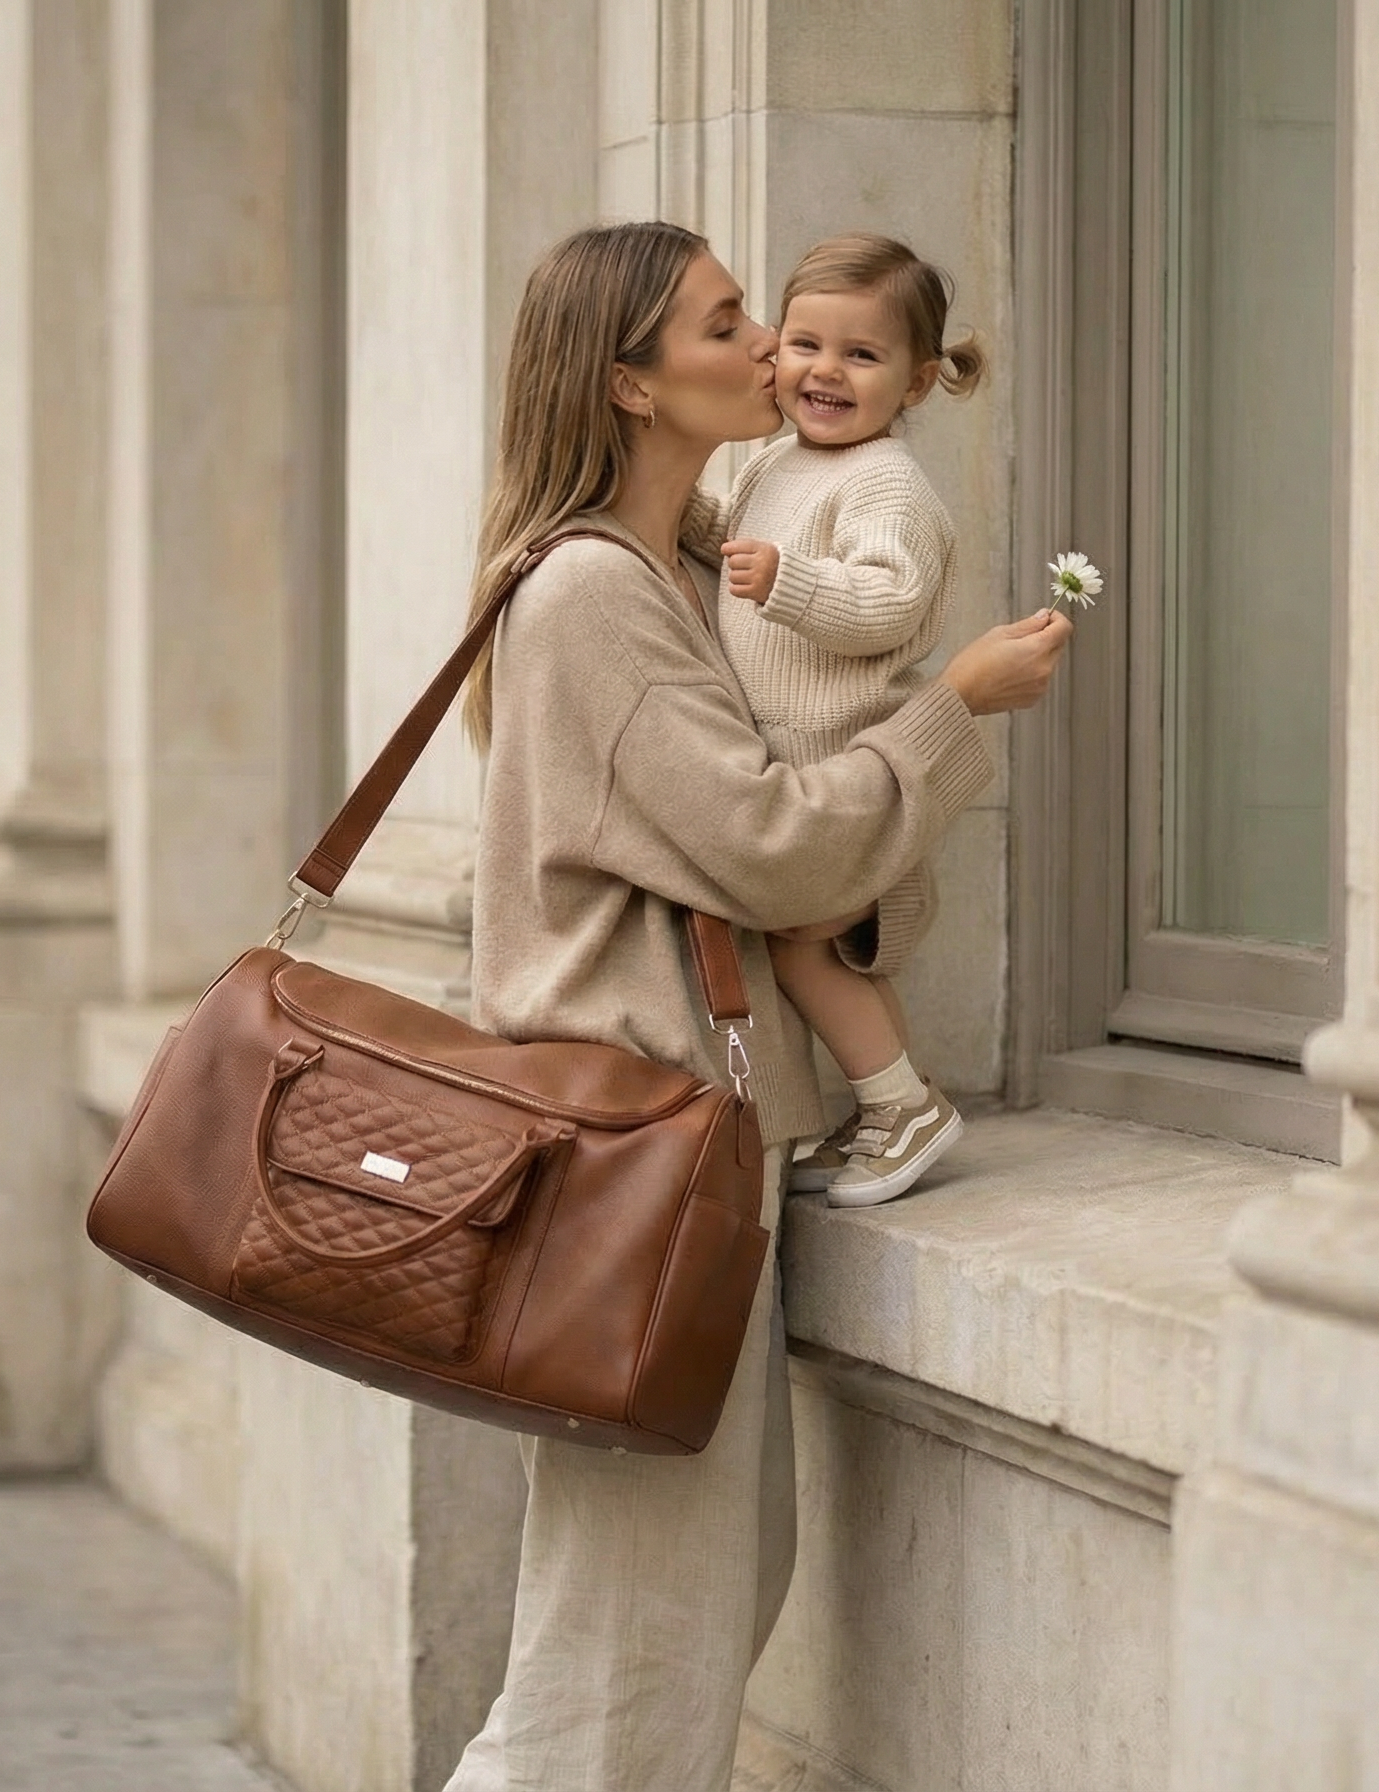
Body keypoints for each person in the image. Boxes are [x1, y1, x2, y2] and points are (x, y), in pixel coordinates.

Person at [446, 220, 1072, 1792]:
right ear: (632, 386)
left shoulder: (677, 563)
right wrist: (952, 709)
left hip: (675, 1150)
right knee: (631, 1643)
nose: (773, 353)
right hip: (638, 1159)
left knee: (683, 1602)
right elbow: (774, 851)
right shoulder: (595, 591)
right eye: (730, 326)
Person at [714, 232, 989, 1209]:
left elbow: (892, 603)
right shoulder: (770, 465)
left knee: (795, 941)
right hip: (786, 773)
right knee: (806, 948)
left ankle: (903, 1104)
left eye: (861, 356)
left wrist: (791, 583)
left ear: (915, 385)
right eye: (805, 344)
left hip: (850, 772)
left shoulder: (885, 482)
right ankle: (884, 1103)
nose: (825, 371)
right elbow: (730, 552)